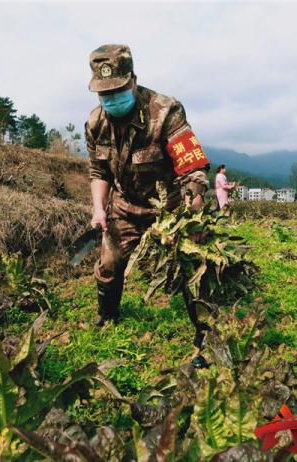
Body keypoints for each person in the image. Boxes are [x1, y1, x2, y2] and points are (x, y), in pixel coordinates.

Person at [85, 44, 211, 365]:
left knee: (192, 269)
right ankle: (108, 316)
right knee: (109, 265)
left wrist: (191, 205)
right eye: (104, 93)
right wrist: (99, 210)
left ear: (133, 81)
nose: (112, 98)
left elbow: (191, 164)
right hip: (125, 206)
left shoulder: (165, 112)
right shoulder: (96, 123)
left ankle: (206, 337)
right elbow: (99, 170)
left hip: (169, 208)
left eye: (118, 90)